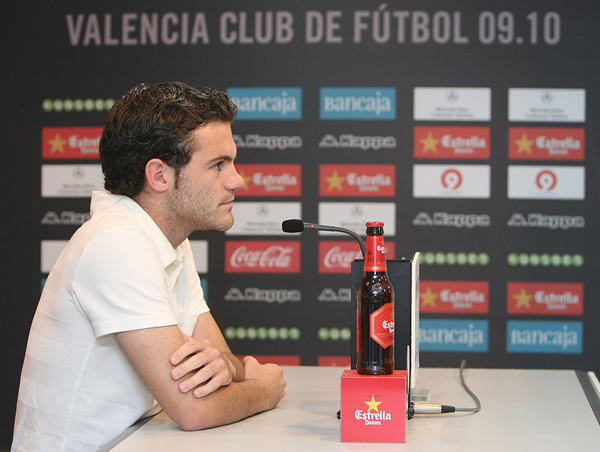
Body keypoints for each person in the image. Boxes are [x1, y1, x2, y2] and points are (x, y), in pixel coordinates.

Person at [11, 82, 286, 452]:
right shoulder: (117, 243)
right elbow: (193, 409)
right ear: (159, 176)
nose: (237, 180)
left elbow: (224, 365)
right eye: (218, 165)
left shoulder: (168, 239)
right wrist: (264, 389)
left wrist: (228, 367)